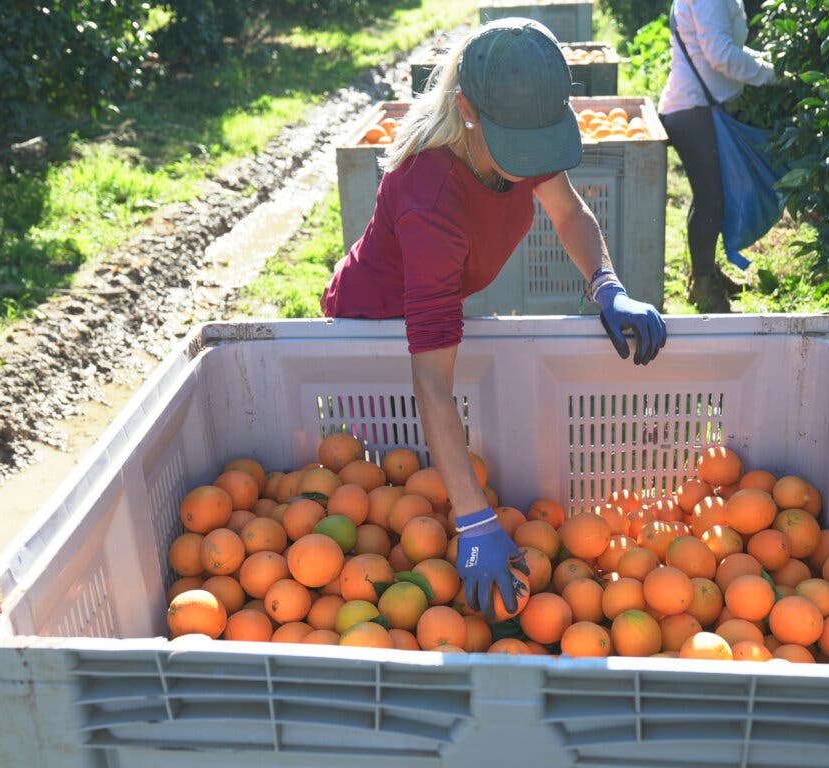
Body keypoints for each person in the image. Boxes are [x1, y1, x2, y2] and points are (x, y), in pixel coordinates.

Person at [321, 18, 667, 623]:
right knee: (390, 483)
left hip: (433, 307)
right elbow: (430, 383)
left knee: (419, 485)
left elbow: (568, 211)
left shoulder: (516, 133)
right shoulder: (430, 200)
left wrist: (607, 283)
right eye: (518, 150)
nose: (530, 164)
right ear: (466, 110)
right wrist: (476, 523)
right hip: (375, 325)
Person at [659, 0, 779, 313]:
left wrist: (770, 62)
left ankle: (705, 272)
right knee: (711, 198)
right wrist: (770, 75)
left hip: (698, 107)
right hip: (692, 109)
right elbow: (720, 53)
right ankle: (703, 285)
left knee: (710, 196)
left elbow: (724, 43)